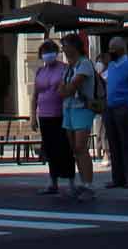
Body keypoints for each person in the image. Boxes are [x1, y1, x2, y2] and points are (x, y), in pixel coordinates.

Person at [58, 33, 100, 202]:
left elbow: (70, 87)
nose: (63, 49)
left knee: (81, 146)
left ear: (74, 46)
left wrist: (65, 89)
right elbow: (61, 90)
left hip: (82, 108)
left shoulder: (84, 64)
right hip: (68, 108)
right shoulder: (69, 67)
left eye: (65, 45)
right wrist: (65, 89)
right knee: (74, 149)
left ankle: (89, 185)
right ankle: (82, 183)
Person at [100, 36, 128, 189]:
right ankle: (117, 178)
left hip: (124, 108)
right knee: (114, 144)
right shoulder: (111, 66)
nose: (111, 52)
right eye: (110, 49)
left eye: (114, 49)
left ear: (121, 49)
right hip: (110, 108)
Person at [33, 39, 72, 194]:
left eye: (50, 51)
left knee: (64, 148)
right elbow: (35, 95)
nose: (47, 55)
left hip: (61, 114)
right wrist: (32, 115)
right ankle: (52, 181)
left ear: (56, 53)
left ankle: (70, 181)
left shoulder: (65, 68)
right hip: (44, 115)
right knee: (49, 148)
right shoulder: (40, 72)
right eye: (44, 52)